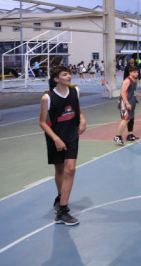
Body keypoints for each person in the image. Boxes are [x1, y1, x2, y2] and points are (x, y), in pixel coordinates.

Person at [38, 66, 86, 226]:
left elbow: (78, 110)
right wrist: (56, 139)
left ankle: (63, 210)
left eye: (69, 74)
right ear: (56, 79)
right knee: (59, 169)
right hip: (55, 137)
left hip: (71, 134)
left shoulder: (75, 91)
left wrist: (83, 119)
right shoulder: (48, 98)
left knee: (70, 169)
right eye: (64, 74)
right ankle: (60, 197)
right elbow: (42, 123)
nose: (69, 76)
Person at [114, 66, 141, 146]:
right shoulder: (127, 80)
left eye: (137, 72)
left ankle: (130, 135)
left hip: (132, 102)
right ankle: (117, 137)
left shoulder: (134, 81)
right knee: (125, 119)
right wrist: (127, 103)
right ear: (130, 73)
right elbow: (122, 92)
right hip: (125, 103)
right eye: (134, 72)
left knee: (131, 119)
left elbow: (133, 92)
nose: (136, 73)